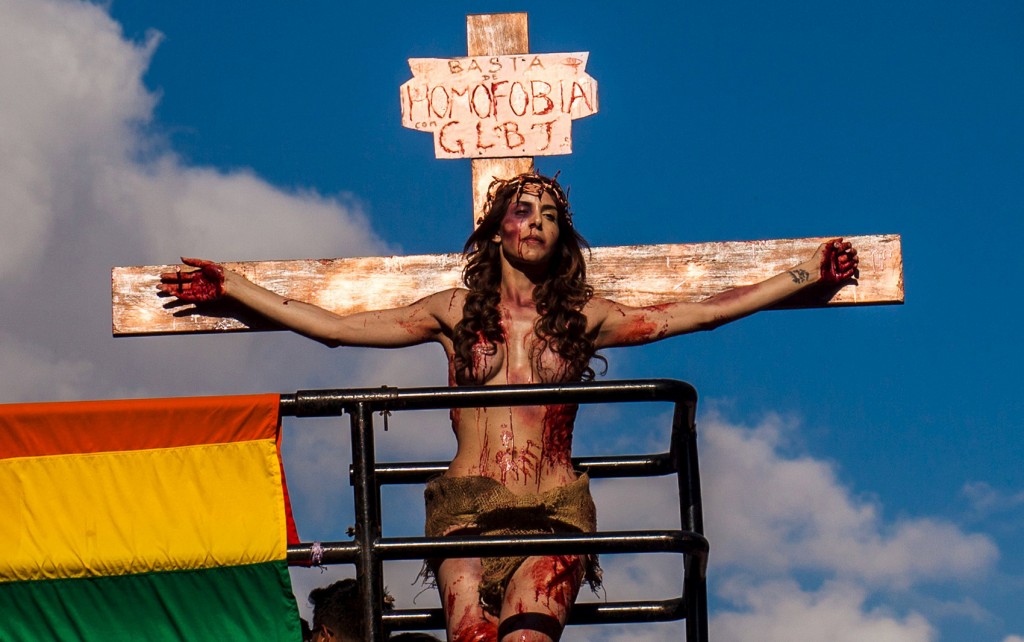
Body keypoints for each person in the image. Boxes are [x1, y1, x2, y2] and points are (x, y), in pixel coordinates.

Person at [160, 172, 857, 642]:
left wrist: (803, 274)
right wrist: (238, 289)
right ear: (497, 228)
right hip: (466, 512)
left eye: (551, 215)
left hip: (553, 513)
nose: (538, 222)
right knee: (467, 630)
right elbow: (338, 327)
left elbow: (698, 313)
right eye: (524, 210)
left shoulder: (584, 318)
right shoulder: (454, 313)